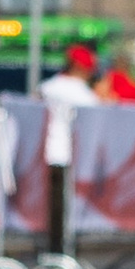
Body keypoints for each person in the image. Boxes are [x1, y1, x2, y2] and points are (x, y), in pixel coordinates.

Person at [39, 45, 101, 256]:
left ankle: (51, 250)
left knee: (48, 209)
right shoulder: (84, 94)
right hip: (70, 156)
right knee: (66, 209)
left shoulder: (48, 87)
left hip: (44, 154)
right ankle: (63, 252)